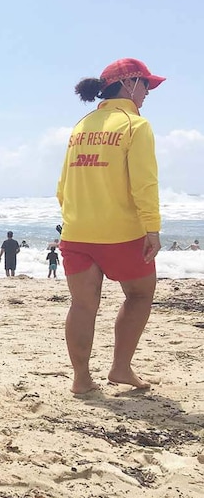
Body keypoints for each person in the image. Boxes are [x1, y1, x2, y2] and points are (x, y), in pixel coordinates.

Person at [56, 57, 165, 394]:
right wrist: (152, 229)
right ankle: (120, 367)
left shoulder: (82, 125)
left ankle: (81, 380)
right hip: (121, 233)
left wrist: (79, 218)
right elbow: (144, 183)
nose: (148, 92)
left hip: (76, 232)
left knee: (83, 305)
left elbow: (63, 186)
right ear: (130, 84)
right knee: (140, 294)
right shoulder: (135, 125)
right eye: (146, 84)